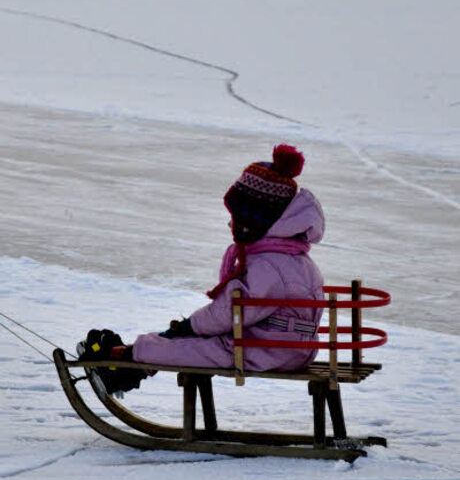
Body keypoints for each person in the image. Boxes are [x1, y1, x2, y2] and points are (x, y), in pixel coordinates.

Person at [78, 144, 325, 395]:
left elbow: (229, 313)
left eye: (236, 217)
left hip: (269, 351)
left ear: (253, 220)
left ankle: (118, 364)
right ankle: (131, 364)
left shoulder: (269, 264)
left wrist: (188, 327)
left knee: (185, 345)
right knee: (184, 342)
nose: (230, 223)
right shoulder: (292, 257)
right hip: (283, 347)